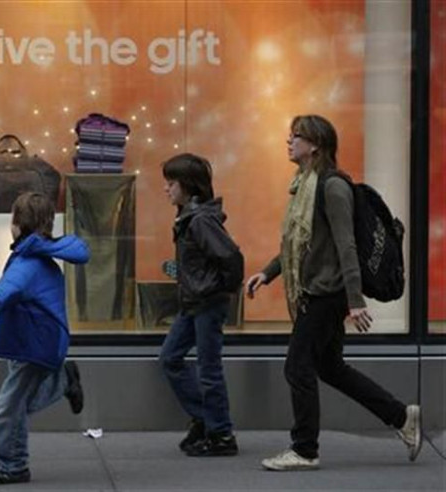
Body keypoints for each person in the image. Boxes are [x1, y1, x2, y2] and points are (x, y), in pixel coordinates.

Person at [245, 114, 421, 471]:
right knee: (331, 367)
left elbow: (347, 247)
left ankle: (305, 450)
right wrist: (268, 272)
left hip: (328, 294)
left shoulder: (332, 187)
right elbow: (302, 244)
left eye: (297, 136)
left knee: (297, 368)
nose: (289, 141)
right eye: (290, 134)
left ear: (316, 145)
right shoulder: (303, 186)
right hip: (317, 291)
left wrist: (355, 301)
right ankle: (402, 417)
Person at [0, 192, 90, 486]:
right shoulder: (39, 255)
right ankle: (63, 381)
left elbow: (4, 292)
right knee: (17, 405)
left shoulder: (27, 263)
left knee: (8, 407)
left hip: (35, 345)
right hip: (34, 341)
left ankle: (12, 465)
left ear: (17, 224)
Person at [158, 153, 243, 457]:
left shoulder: (200, 220)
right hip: (193, 302)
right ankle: (206, 420)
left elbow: (232, 257)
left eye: (171, 183)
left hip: (206, 302)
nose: (166, 189)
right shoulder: (188, 217)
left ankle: (220, 434)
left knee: (208, 368)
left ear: (188, 186)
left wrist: (220, 289)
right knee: (170, 358)